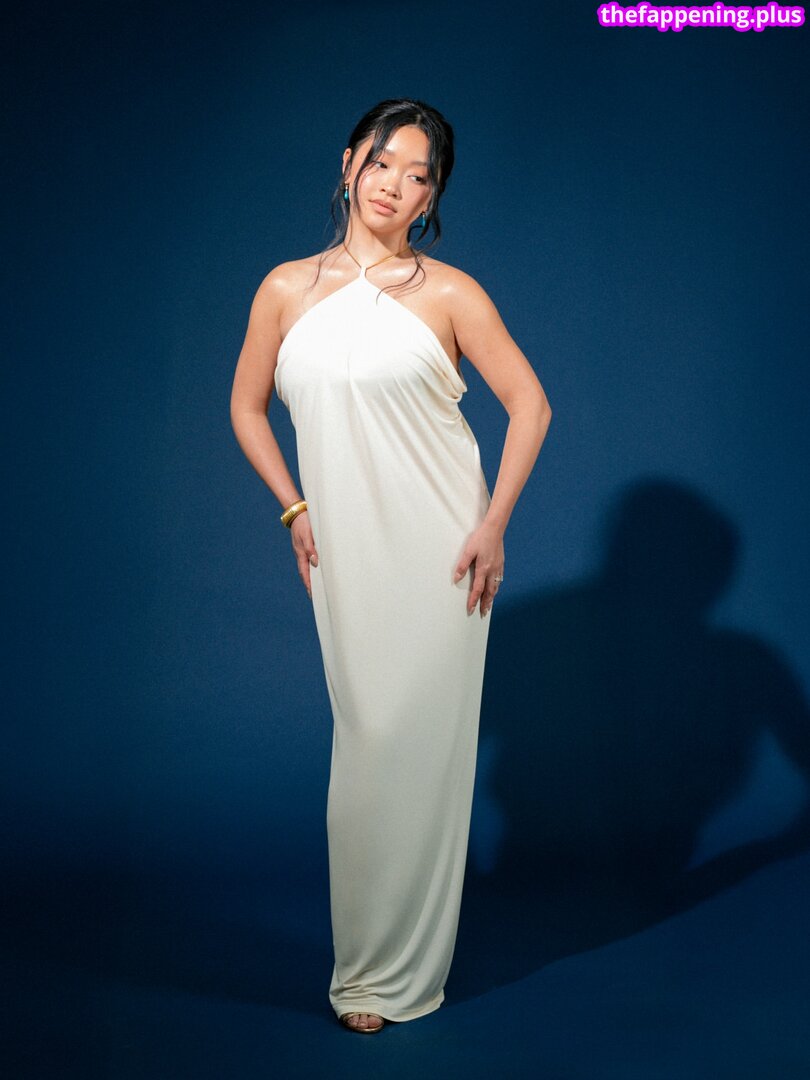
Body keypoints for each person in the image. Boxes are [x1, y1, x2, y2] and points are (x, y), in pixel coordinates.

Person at [230, 98, 552, 1033]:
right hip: (348, 548)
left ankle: (393, 975)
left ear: (432, 197)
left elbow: (529, 405)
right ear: (348, 165)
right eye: (382, 164)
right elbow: (247, 406)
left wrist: (493, 526)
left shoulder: (449, 293)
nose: (395, 187)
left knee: (423, 758)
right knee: (370, 745)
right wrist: (293, 506)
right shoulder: (285, 288)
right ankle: (369, 963)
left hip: (444, 549)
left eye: (419, 176)